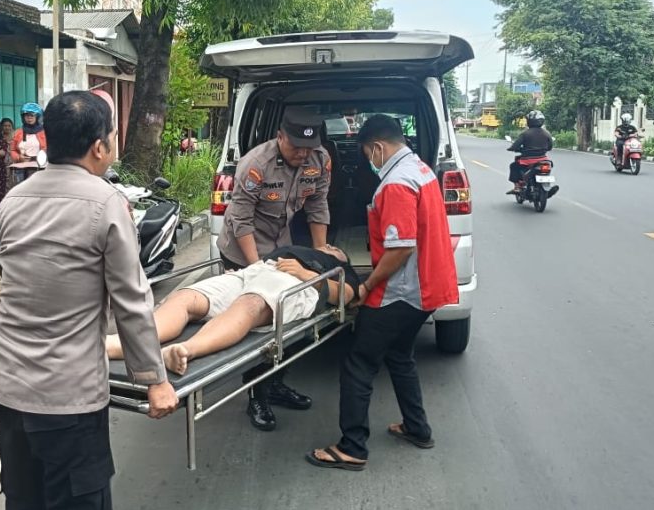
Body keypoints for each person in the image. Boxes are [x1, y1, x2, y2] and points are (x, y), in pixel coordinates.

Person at [0, 90, 177, 510]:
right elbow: (131, 301)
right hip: (65, 394)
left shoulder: (11, 201)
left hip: (6, 382)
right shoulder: (106, 203)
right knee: (79, 509)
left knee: (26, 493)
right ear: (99, 147)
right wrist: (154, 380)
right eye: (112, 135)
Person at [307, 115, 458, 472]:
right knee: (400, 355)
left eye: (367, 155)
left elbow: (400, 247)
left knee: (358, 363)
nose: (369, 162)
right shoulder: (420, 169)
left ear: (377, 147)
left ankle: (352, 447)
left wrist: (366, 285)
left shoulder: (396, 184)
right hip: (427, 287)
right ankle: (417, 427)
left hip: (401, 292)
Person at [217, 106, 332, 431]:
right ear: (280, 137)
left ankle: (277, 383)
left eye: (308, 147)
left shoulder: (320, 160)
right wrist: (256, 270)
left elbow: (317, 203)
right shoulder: (255, 164)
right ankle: (258, 396)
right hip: (243, 250)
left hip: (280, 244)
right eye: (296, 146)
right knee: (258, 326)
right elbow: (240, 220)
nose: (303, 154)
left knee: (291, 319)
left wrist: (321, 253)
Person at [107, 244, 358, 376]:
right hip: (257, 269)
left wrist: (305, 273)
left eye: (334, 248)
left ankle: (185, 351)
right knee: (186, 298)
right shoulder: (298, 248)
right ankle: (121, 343)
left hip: (299, 281)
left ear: (341, 258)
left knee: (250, 303)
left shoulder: (338, 267)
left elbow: (346, 295)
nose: (328, 245)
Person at [506, 110, 554, 194]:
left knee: (513, 166)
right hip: (543, 159)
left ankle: (517, 186)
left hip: (528, 160)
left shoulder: (525, 134)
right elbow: (550, 147)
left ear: (529, 121)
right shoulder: (547, 133)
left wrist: (511, 148)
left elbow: (515, 146)